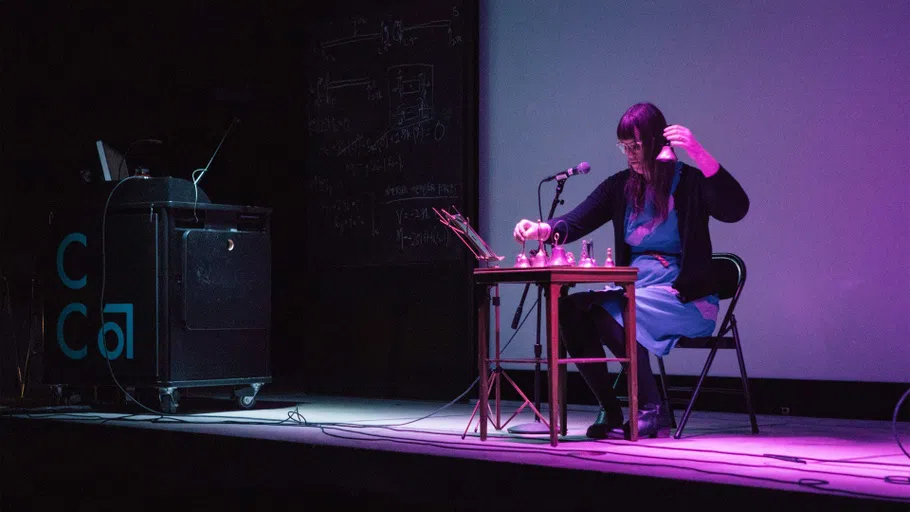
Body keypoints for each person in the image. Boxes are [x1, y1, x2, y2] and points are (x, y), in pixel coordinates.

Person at [513, 102, 749, 439]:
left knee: (618, 310)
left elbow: (736, 207)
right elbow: (577, 220)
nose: (630, 154)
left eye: (636, 146)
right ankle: (611, 412)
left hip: (686, 298)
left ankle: (651, 409)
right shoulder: (620, 187)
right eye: (625, 147)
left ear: (656, 142)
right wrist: (540, 230)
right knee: (569, 308)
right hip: (634, 294)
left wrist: (697, 151)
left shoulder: (690, 182)